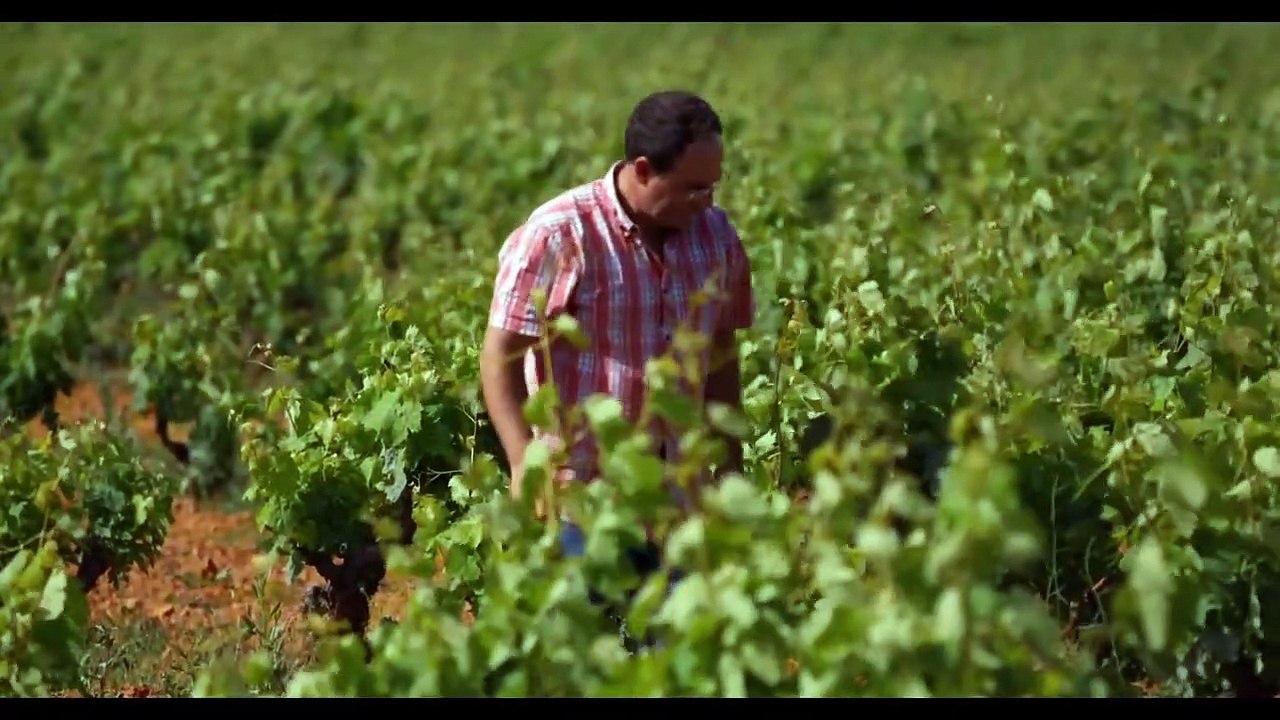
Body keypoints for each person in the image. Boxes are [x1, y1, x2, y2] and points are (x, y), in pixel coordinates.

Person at [478, 89, 756, 611]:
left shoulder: (715, 237)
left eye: (713, 188)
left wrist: (731, 465)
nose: (708, 203)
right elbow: (501, 354)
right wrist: (522, 461)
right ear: (645, 170)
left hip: (679, 504)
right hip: (580, 498)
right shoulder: (561, 233)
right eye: (693, 189)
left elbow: (721, 353)